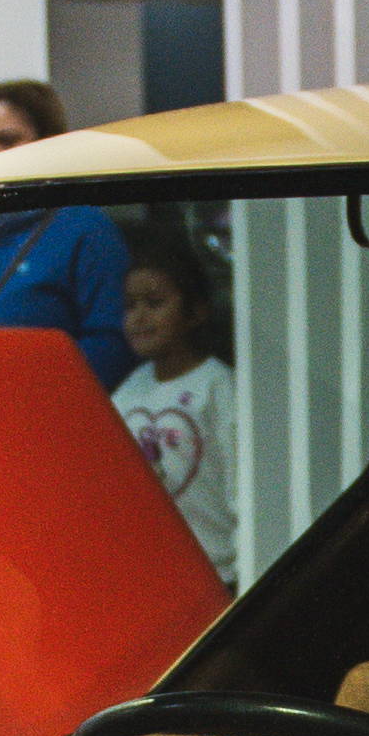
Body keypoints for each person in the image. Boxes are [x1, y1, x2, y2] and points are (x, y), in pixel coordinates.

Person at [0, 78, 129, 383]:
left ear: (49, 145)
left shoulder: (87, 231)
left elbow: (112, 347)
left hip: (47, 404)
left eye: (6, 140)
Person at [109, 219, 236, 569]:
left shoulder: (218, 386)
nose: (139, 317)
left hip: (220, 568)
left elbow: (241, 485)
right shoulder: (128, 392)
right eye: (130, 305)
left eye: (154, 303)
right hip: (156, 568)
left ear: (195, 311)